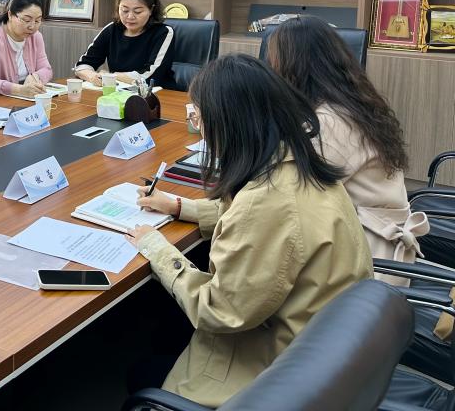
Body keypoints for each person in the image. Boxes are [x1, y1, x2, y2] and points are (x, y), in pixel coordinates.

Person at [131, 54, 371, 408]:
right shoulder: (297, 163)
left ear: (229, 123)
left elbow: (218, 310)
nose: (199, 129)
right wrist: (181, 207)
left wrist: (157, 249)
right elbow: (256, 217)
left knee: (140, 369)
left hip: (274, 372)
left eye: (199, 117)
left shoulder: (268, 202)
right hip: (320, 350)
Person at [266, 17, 427, 280]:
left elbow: (287, 199)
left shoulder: (330, 122)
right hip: (363, 246)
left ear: (293, 68)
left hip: (367, 265)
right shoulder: (351, 104)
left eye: (274, 63)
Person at [74, 0, 174, 87]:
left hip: (157, 94)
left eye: (138, 11)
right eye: (124, 10)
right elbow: (82, 66)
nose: (130, 16)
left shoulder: (163, 33)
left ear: (151, 9)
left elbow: (151, 76)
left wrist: (111, 76)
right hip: (118, 93)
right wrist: (92, 76)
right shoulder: (112, 29)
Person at [0, 0, 53, 97]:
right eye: (27, 20)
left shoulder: (36, 37)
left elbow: (47, 69)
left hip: (27, 98)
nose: (32, 26)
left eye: (37, 21)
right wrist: (19, 90)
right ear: (10, 15)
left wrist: (35, 77)